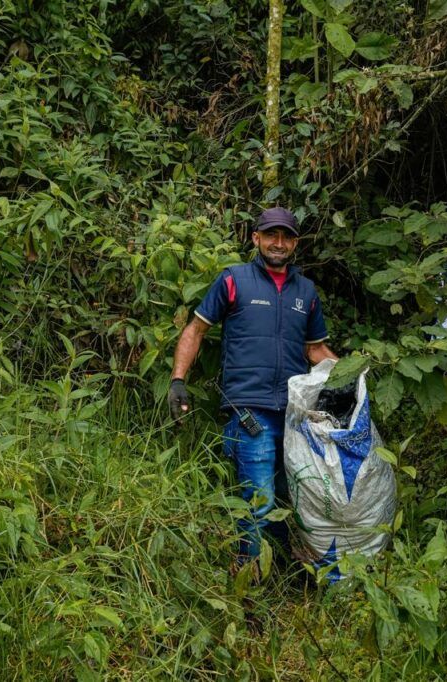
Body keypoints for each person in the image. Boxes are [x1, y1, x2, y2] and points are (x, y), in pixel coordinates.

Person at [166, 207, 338, 573]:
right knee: (259, 502)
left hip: (295, 415)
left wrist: (353, 379)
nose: (279, 243)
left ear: (294, 243)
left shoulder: (305, 291)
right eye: (271, 235)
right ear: (256, 238)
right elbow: (196, 330)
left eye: (286, 236)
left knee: (289, 501)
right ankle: (248, 580)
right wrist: (177, 381)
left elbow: (315, 350)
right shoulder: (233, 280)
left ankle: (277, 581)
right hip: (249, 412)